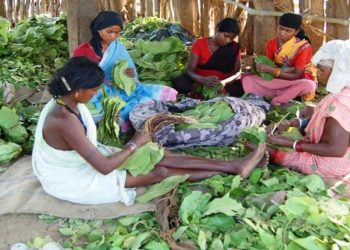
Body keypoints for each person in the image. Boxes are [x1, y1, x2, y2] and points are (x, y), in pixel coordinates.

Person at [32, 57, 267, 205]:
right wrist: (135, 142)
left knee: (162, 155)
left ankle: (233, 166)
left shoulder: (67, 102)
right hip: (76, 180)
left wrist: (139, 146)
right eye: (94, 90)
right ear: (77, 90)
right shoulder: (64, 119)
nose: (95, 94)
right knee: (161, 171)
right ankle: (232, 168)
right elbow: (103, 168)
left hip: (90, 159)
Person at [246, 40, 350, 180]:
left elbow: (336, 149)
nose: (318, 73)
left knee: (253, 146)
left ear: (338, 71)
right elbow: (327, 123)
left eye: (321, 70)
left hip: (330, 164)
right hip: (337, 156)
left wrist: (293, 144)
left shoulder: (341, 102)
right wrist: (294, 123)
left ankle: (271, 155)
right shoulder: (342, 92)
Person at [73, 11, 178, 131]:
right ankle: (118, 118)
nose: (113, 36)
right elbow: (78, 77)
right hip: (95, 90)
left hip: (119, 87)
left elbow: (129, 68)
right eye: (109, 32)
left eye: (117, 33)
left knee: (159, 92)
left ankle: (121, 116)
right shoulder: (83, 51)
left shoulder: (117, 47)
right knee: (102, 105)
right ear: (98, 29)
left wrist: (131, 74)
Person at [242, 13, 317, 106]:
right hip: (276, 82)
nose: (282, 33)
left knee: (310, 85)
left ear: (296, 31)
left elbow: (297, 75)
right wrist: (254, 65)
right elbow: (267, 66)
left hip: (292, 82)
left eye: (288, 31)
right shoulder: (272, 43)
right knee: (247, 79)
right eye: (280, 28)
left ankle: (277, 100)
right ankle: (282, 96)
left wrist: (272, 71)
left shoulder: (304, 47)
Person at [172, 17, 244, 98]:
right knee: (180, 82)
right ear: (217, 30)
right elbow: (189, 71)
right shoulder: (200, 44)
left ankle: (204, 94)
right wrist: (203, 80)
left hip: (222, 85)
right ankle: (202, 91)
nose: (228, 40)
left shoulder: (234, 47)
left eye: (231, 38)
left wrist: (223, 83)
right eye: (226, 36)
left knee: (241, 87)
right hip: (199, 82)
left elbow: (237, 72)